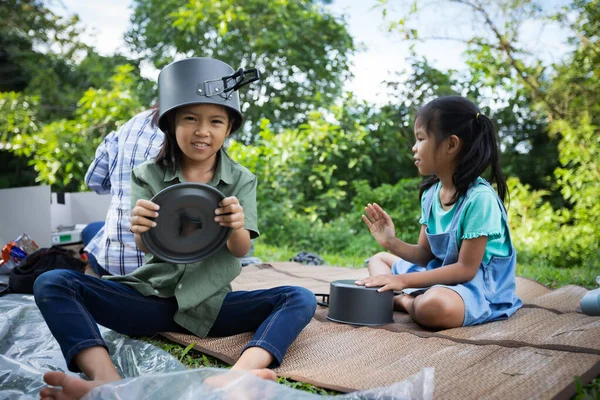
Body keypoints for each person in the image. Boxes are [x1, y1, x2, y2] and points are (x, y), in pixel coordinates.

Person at [33, 57, 317, 400]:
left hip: (211, 307)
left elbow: (241, 251)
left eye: (215, 121)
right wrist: (140, 228)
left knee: (298, 297)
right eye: (190, 119)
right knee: (53, 281)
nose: (202, 131)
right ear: (171, 124)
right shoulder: (147, 175)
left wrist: (235, 226)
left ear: (228, 129)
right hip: (147, 300)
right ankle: (105, 379)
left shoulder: (241, 178)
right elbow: (147, 247)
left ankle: (240, 376)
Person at [357, 96, 522, 330]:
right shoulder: (432, 194)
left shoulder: (480, 199)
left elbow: (465, 269)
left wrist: (401, 281)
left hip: (479, 287)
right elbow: (425, 254)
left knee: (434, 307)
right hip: (440, 274)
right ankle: (409, 296)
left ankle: (403, 300)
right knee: (379, 259)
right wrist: (391, 242)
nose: (414, 147)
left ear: (451, 145)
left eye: (421, 138)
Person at [82, 108, 165, 276]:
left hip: (119, 265)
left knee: (91, 230)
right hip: (180, 264)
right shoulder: (203, 137)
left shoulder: (131, 125)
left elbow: (94, 181)